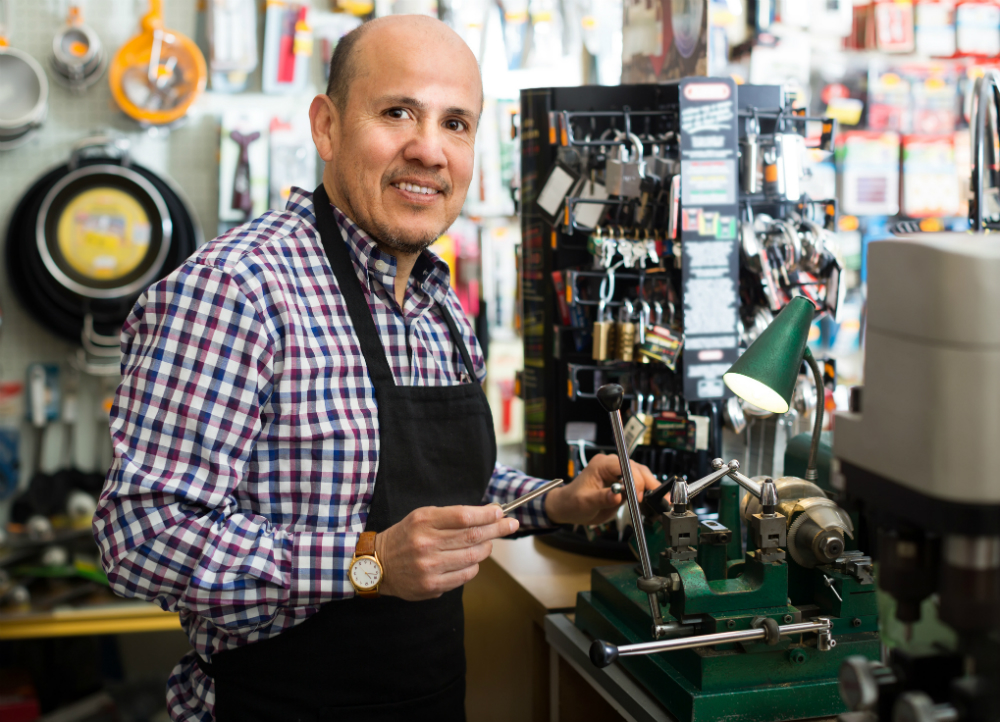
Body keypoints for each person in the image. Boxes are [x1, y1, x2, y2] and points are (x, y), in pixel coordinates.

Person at [94, 14, 658, 722]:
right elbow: (139, 537)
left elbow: (445, 493)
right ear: (327, 127)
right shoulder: (238, 290)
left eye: (456, 124)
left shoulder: (438, 303)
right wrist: (370, 565)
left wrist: (555, 501)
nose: (429, 149)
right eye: (398, 112)